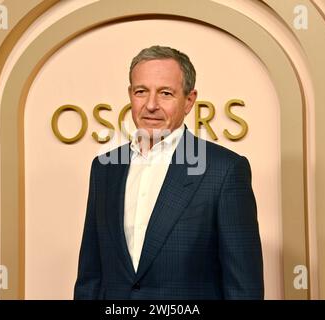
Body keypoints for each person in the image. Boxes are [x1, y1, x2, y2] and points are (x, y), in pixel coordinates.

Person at [74, 45, 264, 299]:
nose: (151, 105)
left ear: (189, 100)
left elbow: (244, 289)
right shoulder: (104, 168)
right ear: (130, 94)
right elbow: (91, 277)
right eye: (141, 92)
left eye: (165, 93)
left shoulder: (225, 170)